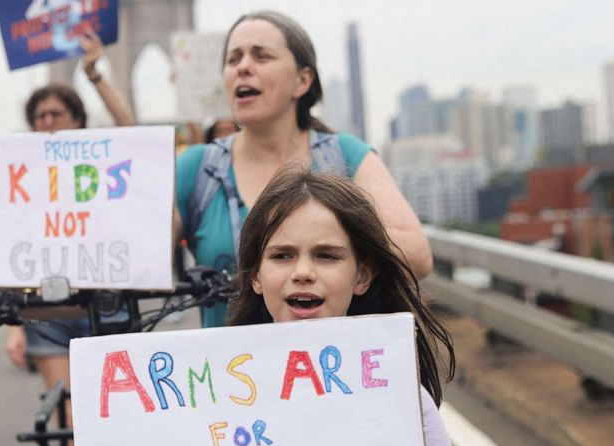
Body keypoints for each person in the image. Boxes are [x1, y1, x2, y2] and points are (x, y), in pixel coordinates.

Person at [71, 167, 488, 446]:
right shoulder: (197, 401)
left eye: (327, 255)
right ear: (255, 276)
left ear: (362, 275)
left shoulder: (403, 400)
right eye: (282, 255)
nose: (302, 272)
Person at [174, 10, 431, 328]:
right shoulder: (195, 168)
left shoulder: (345, 156)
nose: (243, 67)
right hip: (229, 372)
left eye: (261, 56)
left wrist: (331, 240)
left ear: (303, 80)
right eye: (233, 59)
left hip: (333, 368)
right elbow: (139, 263)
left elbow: (418, 256)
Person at [0, 25, 134, 406]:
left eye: (57, 113)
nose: (48, 122)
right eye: (39, 116)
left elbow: (131, 133)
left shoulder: (102, 160)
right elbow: (6, 247)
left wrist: (95, 74)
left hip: (106, 308)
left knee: (112, 416)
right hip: (45, 311)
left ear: (77, 119)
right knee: (68, 418)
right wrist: (13, 329)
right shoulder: (20, 176)